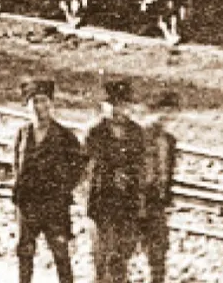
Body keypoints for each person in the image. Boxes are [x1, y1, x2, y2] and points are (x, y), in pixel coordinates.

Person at [12, 78, 85, 283]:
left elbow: (79, 166)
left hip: (54, 206)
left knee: (61, 254)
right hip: (27, 205)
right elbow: (16, 165)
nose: (39, 107)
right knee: (25, 252)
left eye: (43, 101)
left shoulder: (64, 136)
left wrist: (63, 188)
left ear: (51, 104)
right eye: (34, 102)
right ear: (27, 106)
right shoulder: (23, 133)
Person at [83, 78, 146, 283]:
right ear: (104, 106)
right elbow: (85, 166)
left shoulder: (136, 133)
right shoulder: (95, 132)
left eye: (122, 104)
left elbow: (140, 167)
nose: (118, 110)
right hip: (102, 202)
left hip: (127, 203)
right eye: (113, 104)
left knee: (122, 258)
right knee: (103, 258)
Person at [137, 92, 179, 283]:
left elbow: (167, 172)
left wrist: (164, 196)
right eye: (162, 112)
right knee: (120, 254)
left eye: (170, 113)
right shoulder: (136, 136)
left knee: (158, 251)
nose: (165, 117)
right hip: (133, 200)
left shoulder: (168, 140)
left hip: (155, 202)